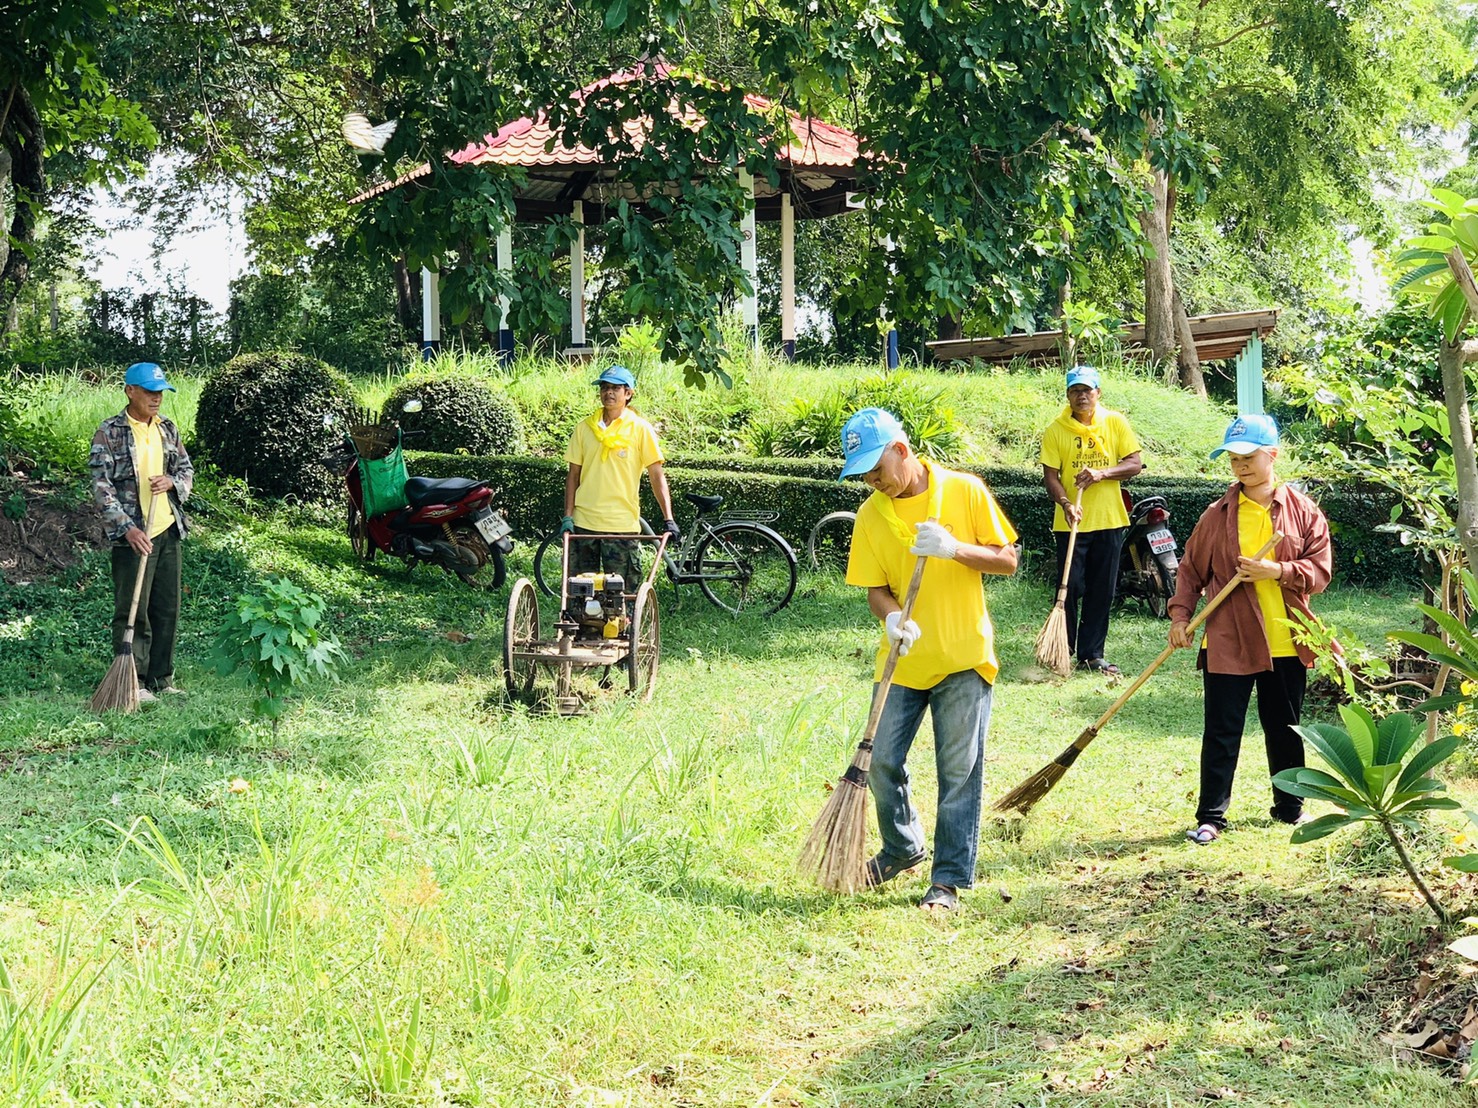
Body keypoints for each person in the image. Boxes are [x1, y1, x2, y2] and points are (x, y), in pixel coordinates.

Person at [841, 408, 1019, 911]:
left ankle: (947, 880)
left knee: (958, 772)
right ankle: (902, 847)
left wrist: (954, 548)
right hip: (903, 659)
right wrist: (892, 617)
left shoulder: (965, 490)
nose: (873, 482)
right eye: (863, 475)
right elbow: (875, 589)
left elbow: (1007, 559)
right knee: (880, 761)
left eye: (876, 469)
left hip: (963, 657)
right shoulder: (871, 515)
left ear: (901, 450)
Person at [1167, 413, 1332, 844]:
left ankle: (1290, 808)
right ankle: (1211, 817)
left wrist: (1278, 571)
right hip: (1228, 637)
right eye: (1233, 458)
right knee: (1222, 731)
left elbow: (1320, 572)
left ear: (1271, 455)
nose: (1240, 466)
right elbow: (1190, 571)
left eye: (1248, 457)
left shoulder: (1303, 512)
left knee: (1286, 728)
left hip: (1286, 638)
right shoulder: (1217, 515)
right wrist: (1181, 617)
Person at [90, 361, 194, 702]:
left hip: (166, 529)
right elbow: (101, 486)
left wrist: (172, 482)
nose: (156, 398)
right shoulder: (110, 432)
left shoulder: (167, 429)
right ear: (130, 391)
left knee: (166, 608)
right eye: (150, 391)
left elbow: (186, 469)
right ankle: (134, 680)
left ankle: (161, 678)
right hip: (134, 535)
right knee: (133, 609)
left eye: (160, 392)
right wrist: (127, 528)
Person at [1039, 364, 1143, 675]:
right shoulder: (1056, 430)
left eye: (1086, 390)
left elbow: (1134, 463)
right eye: (1075, 391)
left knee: (1102, 589)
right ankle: (1062, 649)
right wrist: (1065, 503)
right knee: (1069, 586)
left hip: (1110, 520)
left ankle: (1092, 654)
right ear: (1068, 395)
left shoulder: (1115, 422)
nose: (1081, 396)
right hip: (1071, 521)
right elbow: (1050, 476)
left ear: (1098, 393)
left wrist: (1102, 473)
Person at [561, 365, 678, 585]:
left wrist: (668, 518)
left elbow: (656, 476)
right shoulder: (584, 428)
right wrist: (568, 516)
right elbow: (573, 475)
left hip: (621, 525)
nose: (609, 393)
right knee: (579, 591)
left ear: (628, 393)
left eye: (615, 388)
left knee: (622, 593)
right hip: (584, 523)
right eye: (604, 387)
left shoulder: (640, 429)